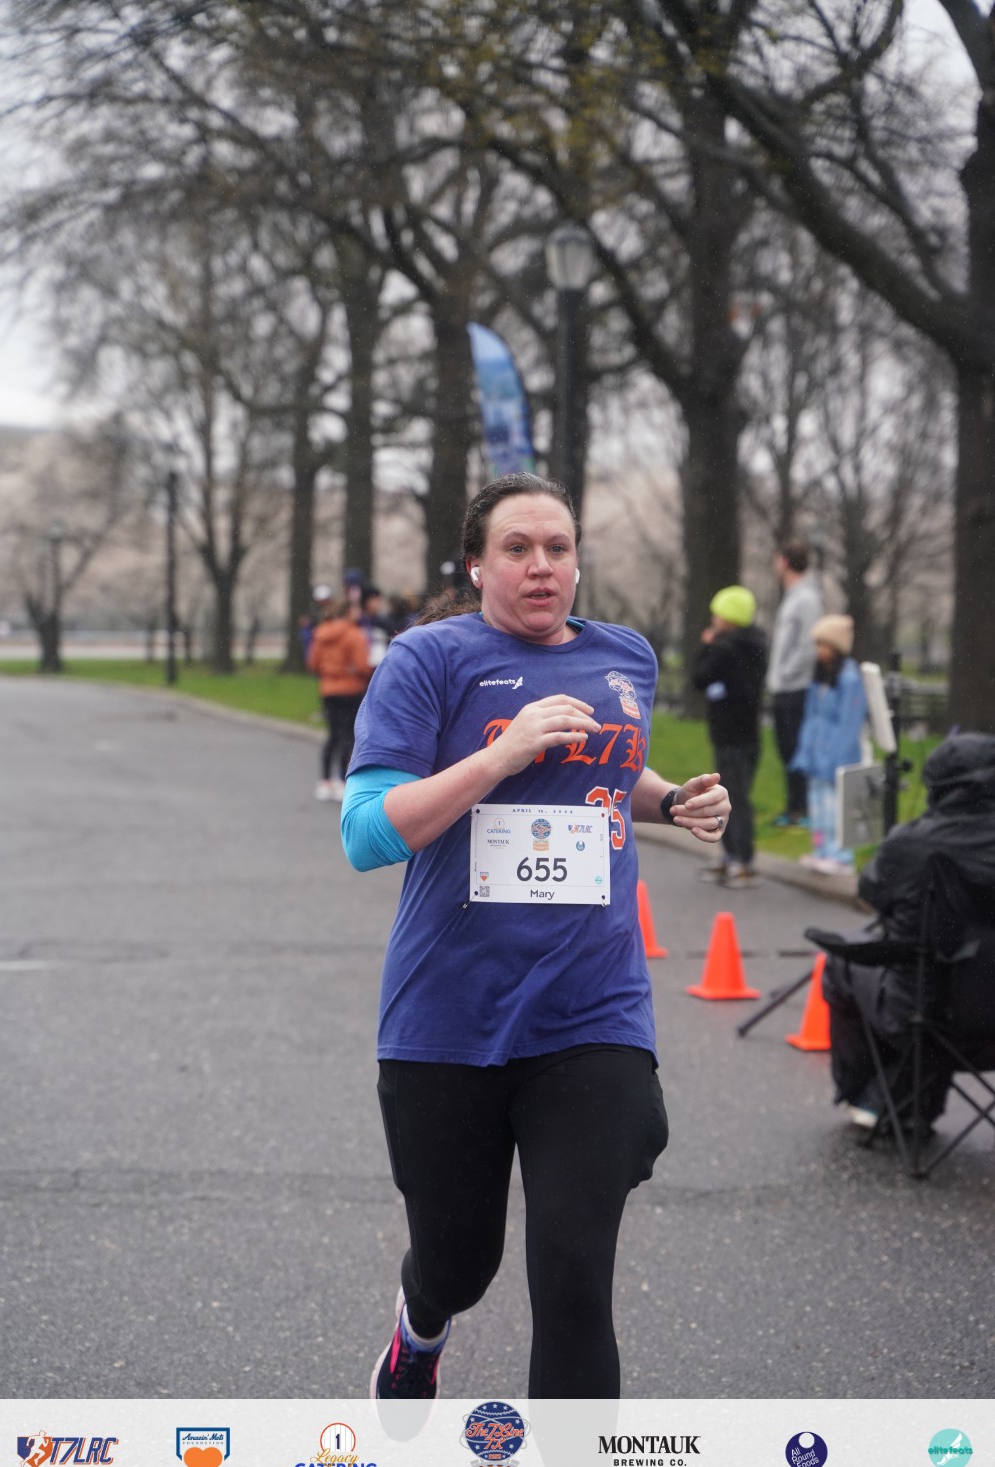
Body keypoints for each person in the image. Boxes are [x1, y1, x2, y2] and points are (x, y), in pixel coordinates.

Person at [339, 472, 730, 1404]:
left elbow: (608, 764)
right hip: (448, 1013)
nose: (541, 565)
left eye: (558, 547)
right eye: (516, 548)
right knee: (458, 1265)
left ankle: (573, 1466)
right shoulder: (428, 659)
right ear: (477, 565)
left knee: (574, 1282)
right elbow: (366, 833)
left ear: (579, 562)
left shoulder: (625, 656)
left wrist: (670, 800)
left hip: (592, 1010)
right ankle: (420, 1326)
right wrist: (499, 754)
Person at [822, 733, 995, 1130]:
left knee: (843, 964)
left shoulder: (913, 844)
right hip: (976, 1016)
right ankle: (902, 1099)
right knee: (949, 972)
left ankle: (869, 1096)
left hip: (930, 1018)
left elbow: (872, 891)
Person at [691, 585, 768, 888]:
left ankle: (742, 860)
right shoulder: (756, 645)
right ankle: (734, 856)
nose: (713, 619)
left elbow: (699, 677)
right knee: (735, 795)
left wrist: (706, 646)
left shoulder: (725, 648)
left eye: (718, 614)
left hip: (728, 734)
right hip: (747, 733)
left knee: (732, 798)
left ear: (729, 617)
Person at [791, 614, 866, 874]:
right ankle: (821, 850)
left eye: (824, 644)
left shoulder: (850, 679)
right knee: (818, 805)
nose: (819, 650)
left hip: (835, 756)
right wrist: (806, 750)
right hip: (816, 753)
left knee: (836, 807)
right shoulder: (820, 677)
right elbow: (811, 715)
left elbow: (849, 724)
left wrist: (838, 758)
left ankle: (840, 856)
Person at [767, 541, 822, 827]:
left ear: (786, 561)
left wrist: (786, 675)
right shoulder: (792, 597)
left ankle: (802, 810)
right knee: (786, 750)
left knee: (796, 750)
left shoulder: (806, 598)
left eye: (777, 558)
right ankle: (794, 808)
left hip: (796, 688)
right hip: (784, 688)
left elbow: (809, 645)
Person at [307, 594, 370, 802]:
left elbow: (313, 663)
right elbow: (362, 665)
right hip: (351, 690)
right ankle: (342, 780)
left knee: (332, 735)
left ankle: (324, 780)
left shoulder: (321, 633)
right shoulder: (354, 634)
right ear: (348, 612)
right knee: (348, 736)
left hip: (328, 689)